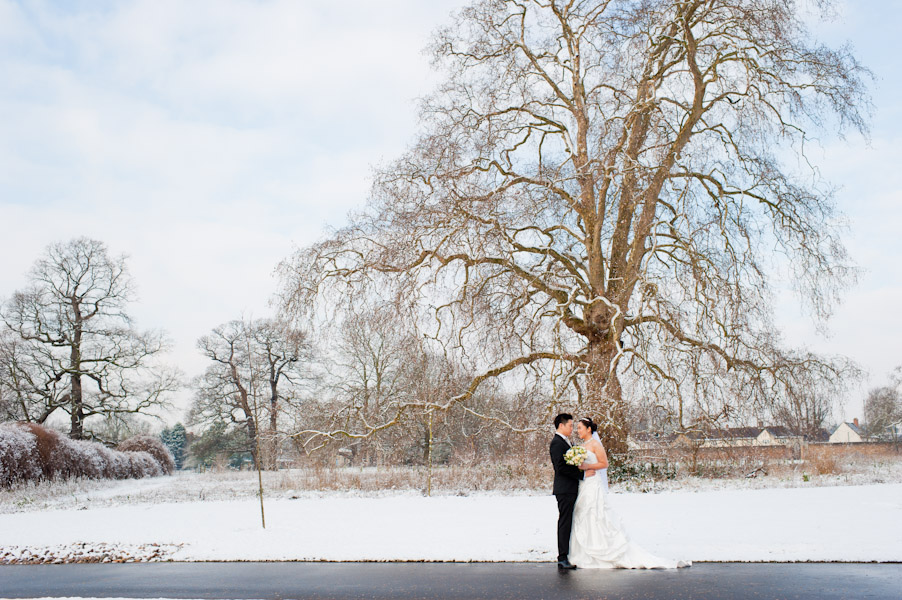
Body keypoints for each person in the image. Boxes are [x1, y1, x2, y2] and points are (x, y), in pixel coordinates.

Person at [568, 417, 691, 569]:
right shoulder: (582, 445)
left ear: (588, 429)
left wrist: (587, 466)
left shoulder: (595, 444)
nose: (577, 430)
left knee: (596, 515)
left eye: (580, 427)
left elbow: (604, 463)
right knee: (583, 515)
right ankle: (585, 553)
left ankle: (604, 551)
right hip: (584, 485)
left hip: (593, 485)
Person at [549, 413, 596, 570]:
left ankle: (569, 554)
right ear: (561, 426)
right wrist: (582, 474)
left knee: (569, 521)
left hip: (570, 488)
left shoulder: (566, 442)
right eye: (570, 425)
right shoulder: (557, 443)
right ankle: (562, 557)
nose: (572, 428)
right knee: (565, 522)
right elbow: (561, 467)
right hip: (564, 489)